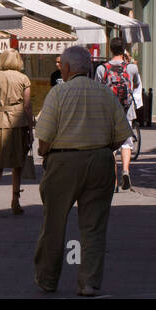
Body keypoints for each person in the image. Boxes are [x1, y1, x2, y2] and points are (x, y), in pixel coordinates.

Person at [33, 45, 131, 296]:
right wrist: (104, 148)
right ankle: (88, 282)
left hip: (63, 161)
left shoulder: (58, 93)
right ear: (88, 67)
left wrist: (45, 152)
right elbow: (122, 135)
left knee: (54, 224)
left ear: (65, 68)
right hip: (99, 160)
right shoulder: (105, 93)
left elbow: (43, 137)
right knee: (94, 227)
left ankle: (47, 279)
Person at [0, 48, 33, 217]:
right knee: (17, 163)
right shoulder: (23, 78)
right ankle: (15, 201)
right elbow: (26, 106)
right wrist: (30, 125)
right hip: (17, 123)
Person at [95, 38, 142, 190]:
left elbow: (97, 91)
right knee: (127, 143)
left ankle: (114, 180)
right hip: (127, 111)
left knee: (111, 146)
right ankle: (126, 171)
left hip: (109, 112)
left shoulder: (102, 68)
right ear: (123, 50)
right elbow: (136, 86)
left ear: (110, 49)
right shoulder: (132, 68)